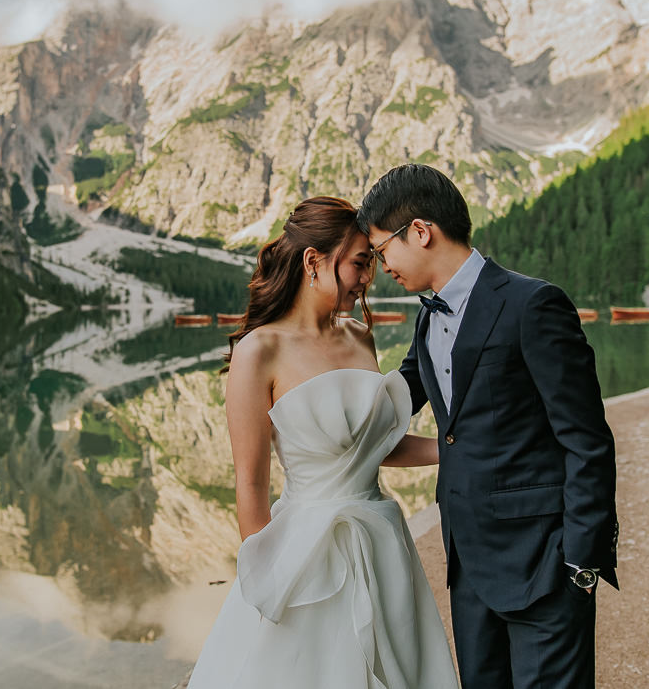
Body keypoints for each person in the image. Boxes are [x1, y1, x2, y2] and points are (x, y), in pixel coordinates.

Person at [357, 164, 618, 689]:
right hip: (469, 567)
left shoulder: (533, 304)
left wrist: (580, 565)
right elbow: (396, 401)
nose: (382, 267)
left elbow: (587, 440)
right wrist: (312, 368)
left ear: (421, 231)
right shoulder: (428, 316)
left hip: (544, 564)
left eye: (383, 250)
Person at [186, 196, 459, 689]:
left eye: (371, 264)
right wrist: (268, 577)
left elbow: (372, 446)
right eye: (358, 263)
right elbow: (250, 483)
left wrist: (457, 449)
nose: (366, 278)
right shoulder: (258, 351)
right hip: (304, 552)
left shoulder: (359, 338)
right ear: (314, 261)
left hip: (381, 539)